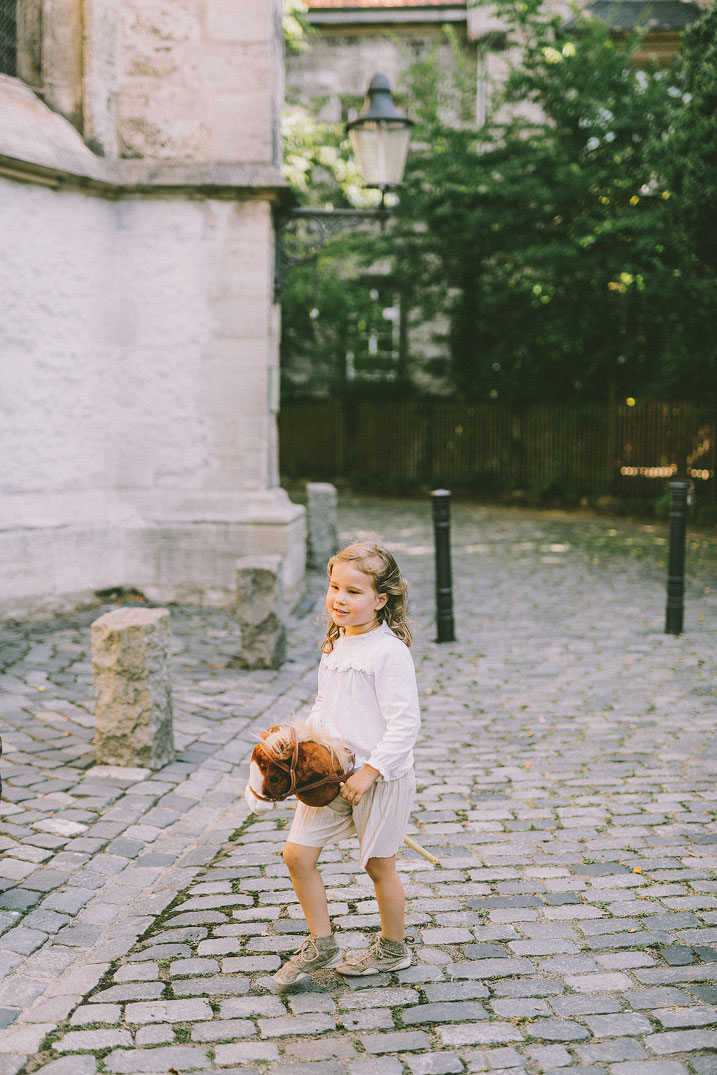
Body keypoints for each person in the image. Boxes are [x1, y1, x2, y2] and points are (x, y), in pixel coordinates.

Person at [272, 541, 421, 989]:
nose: (339, 598)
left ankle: (393, 949)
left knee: (379, 866)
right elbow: (326, 705)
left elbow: (405, 724)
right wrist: (299, 738)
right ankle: (322, 942)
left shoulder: (388, 652)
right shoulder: (336, 644)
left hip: (380, 778)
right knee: (297, 855)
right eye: (335, 587)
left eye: (354, 592)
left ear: (381, 599)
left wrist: (369, 772)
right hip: (331, 774)